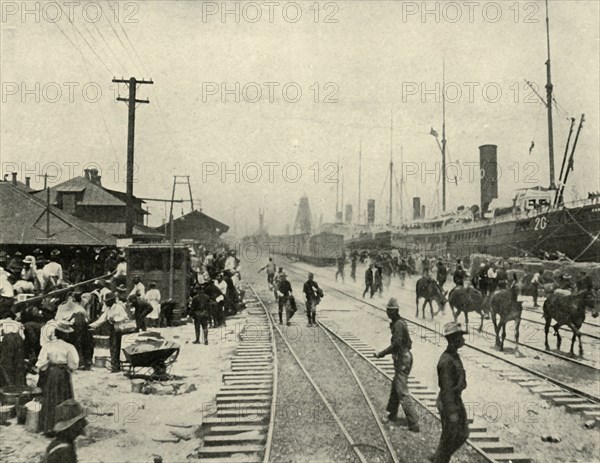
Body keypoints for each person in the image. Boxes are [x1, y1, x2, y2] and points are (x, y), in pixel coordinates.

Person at [374, 298, 420, 432]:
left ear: (393, 311)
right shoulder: (399, 323)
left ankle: (414, 422)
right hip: (403, 357)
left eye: (389, 310)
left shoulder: (399, 325)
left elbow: (397, 344)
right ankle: (391, 413)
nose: (387, 312)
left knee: (402, 391)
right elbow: (409, 343)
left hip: (403, 359)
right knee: (396, 386)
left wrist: (381, 353)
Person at [429, 322, 469, 463]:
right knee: (455, 435)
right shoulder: (446, 361)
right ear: (453, 339)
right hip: (448, 402)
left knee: (456, 434)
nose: (463, 339)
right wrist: (452, 412)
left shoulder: (453, 356)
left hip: (455, 400)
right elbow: (446, 390)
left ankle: (438, 457)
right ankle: (440, 459)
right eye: (460, 337)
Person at [37, 321, 79, 435]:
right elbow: (74, 364)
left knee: (50, 397)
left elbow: (41, 363)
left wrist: (46, 370)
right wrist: (69, 369)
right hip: (63, 374)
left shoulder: (48, 345)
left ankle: (49, 426)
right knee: (63, 397)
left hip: (51, 373)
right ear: (66, 334)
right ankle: (63, 426)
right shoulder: (69, 347)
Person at [89, 291, 128, 373]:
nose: (106, 303)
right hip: (112, 328)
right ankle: (115, 365)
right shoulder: (108, 309)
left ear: (112, 301)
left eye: (107, 301)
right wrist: (92, 325)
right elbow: (102, 319)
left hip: (118, 328)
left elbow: (125, 317)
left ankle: (115, 366)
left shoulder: (118, 307)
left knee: (115, 346)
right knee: (112, 346)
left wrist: (115, 319)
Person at [43, 399, 88, 463]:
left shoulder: (54, 444)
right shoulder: (66, 451)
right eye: (79, 424)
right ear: (71, 428)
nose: (81, 429)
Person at [0, 311, 26, 387]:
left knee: (6, 363)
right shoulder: (18, 323)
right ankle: (19, 384)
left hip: (7, 341)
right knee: (19, 363)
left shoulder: (1, 322)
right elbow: (23, 337)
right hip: (18, 341)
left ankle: (8, 384)